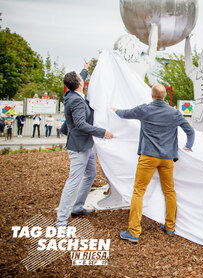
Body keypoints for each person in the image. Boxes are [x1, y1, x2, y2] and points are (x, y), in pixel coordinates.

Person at [114, 84, 195, 243]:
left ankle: (134, 231)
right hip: (167, 158)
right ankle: (170, 226)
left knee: (138, 191)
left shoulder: (145, 110)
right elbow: (190, 131)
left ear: (152, 95)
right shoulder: (174, 112)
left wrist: (114, 110)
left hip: (148, 156)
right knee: (169, 191)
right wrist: (189, 146)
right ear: (164, 96)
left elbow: (125, 114)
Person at [56, 62, 114, 227]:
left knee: (90, 174)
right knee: (73, 181)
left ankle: (78, 207)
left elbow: (76, 80)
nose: (82, 77)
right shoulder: (76, 101)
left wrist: (85, 68)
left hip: (85, 145)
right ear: (79, 83)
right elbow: (81, 124)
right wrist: (103, 132)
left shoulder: (71, 94)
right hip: (79, 147)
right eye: (81, 77)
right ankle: (61, 221)